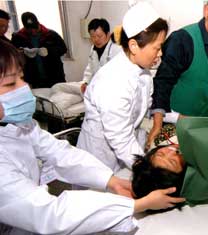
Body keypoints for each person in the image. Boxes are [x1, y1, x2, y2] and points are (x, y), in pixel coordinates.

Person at [0, 39, 185, 235]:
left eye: (21, 78)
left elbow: (60, 152)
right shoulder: (113, 79)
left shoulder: (17, 125)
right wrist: (136, 206)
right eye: (11, 83)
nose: (25, 88)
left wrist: (110, 180)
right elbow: (50, 214)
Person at [77, 2, 168, 174]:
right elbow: (121, 139)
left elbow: (144, 107)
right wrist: (150, 173)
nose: (160, 53)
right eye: (157, 47)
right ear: (134, 46)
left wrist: (174, 117)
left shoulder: (143, 73)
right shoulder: (113, 82)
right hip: (101, 155)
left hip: (125, 149)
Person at [148, 1, 208, 148]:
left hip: (204, 125)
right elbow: (162, 84)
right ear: (207, 11)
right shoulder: (182, 40)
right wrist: (157, 124)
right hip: (174, 125)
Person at [11, 12, 67, 88]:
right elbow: (12, 56)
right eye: (30, 29)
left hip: (54, 77)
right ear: (25, 27)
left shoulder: (51, 35)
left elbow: (63, 49)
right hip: (32, 79)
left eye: (35, 28)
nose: (33, 31)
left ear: (38, 24)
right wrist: (22, 52)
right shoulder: (18, 37)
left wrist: (49, 51)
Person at [80, 18, 122, 93]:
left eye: (99, 36)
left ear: (108, 34)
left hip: (112, 88)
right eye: (92, 36)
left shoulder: (117, 49)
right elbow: (90, 68)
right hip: (96, 85)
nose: (96, 40)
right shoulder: (93, 49)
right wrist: (86, 82)